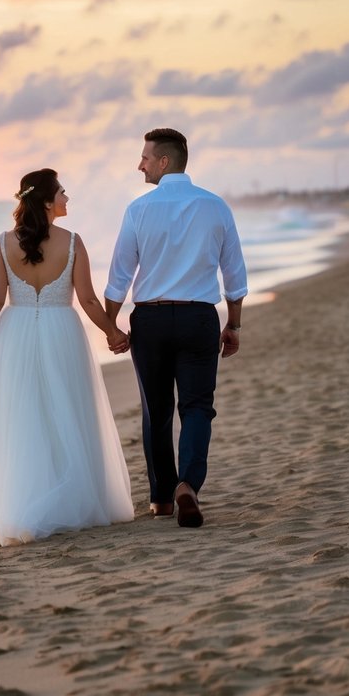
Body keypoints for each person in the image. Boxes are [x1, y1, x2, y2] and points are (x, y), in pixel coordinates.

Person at [0, 168, 134, 546]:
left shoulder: (3, 243)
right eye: (62, 192)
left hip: (16, 332)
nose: (66, 198)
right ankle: (71, 498)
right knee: (67, 410)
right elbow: (89, 299)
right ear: (46, 201)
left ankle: (25, 500)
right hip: (62, 330)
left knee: (24, 414)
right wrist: (113, 332)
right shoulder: (73, 242)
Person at [104, 128, 248, 529]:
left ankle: (161, 499)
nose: (140, 164)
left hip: (149, 320)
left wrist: (111, 323)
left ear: (164, 161)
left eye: (145, 157)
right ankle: (189, 485)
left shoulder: (138, 210)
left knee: (157, 410)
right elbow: (234, 275)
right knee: (198, 407)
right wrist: (233, 324)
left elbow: (119, 277)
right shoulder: (215, 206)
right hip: (199, 317)